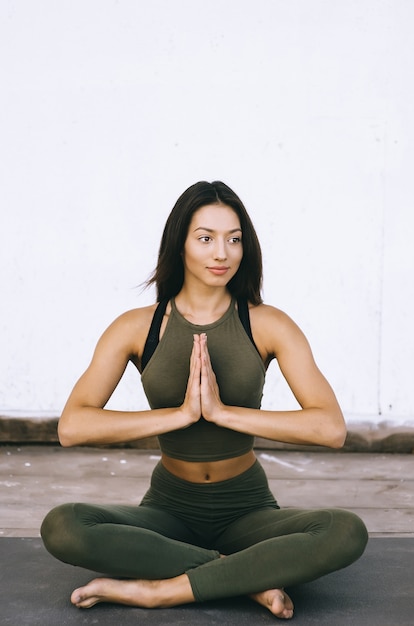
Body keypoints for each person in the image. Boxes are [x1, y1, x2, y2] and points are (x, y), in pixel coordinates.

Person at [41, 180, 368, 620]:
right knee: (63, 526)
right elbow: (72, 427)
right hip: (168, 510)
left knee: (345, 532)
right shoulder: (137, 327)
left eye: (234, 239)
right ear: (180, 245)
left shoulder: (268, 324)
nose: (222, 253)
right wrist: (178, 415)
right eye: (206, 238)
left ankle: (159, 591)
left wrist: (222, 413)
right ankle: (241, 580)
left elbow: (330, 428)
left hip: (247, 510)